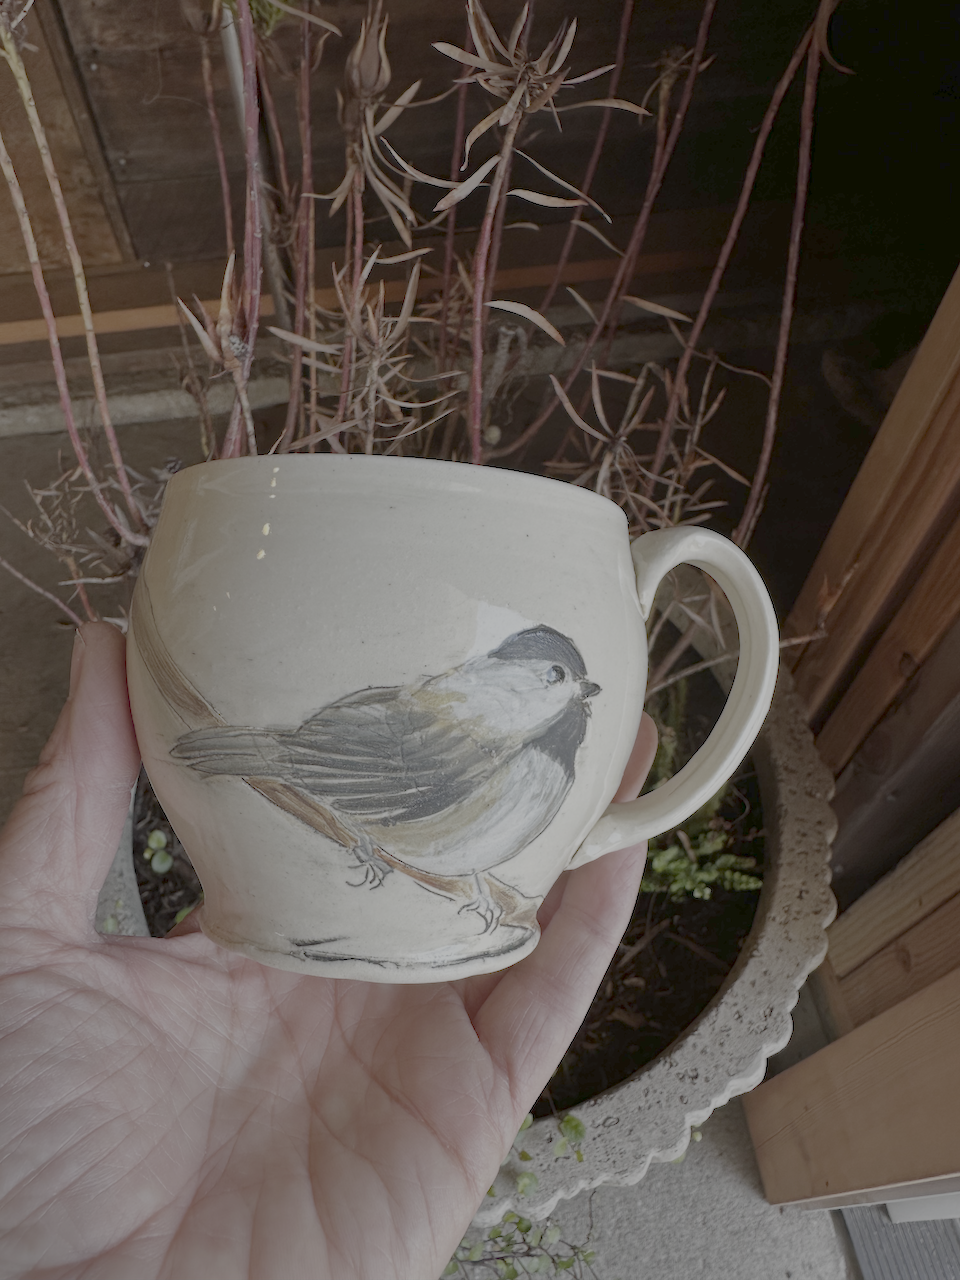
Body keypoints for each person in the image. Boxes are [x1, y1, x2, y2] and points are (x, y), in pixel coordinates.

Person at [0, 622, 657, 1280]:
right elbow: (368, 769)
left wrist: (482, 888)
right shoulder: (474, 738)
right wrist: (352, 828)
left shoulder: (532, 745)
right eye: (554, 678)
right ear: (510, 679)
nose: (575, 693)